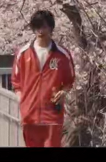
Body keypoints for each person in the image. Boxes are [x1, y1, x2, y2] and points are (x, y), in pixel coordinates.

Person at [11, 10, 75, 148]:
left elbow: (69, 80)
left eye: (44, 26)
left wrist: (64, 92)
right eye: (37, 27)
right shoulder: (22, 53)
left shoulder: (62, 55)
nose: (40, 30)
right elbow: (16, 82)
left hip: (52, 114)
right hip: (30, 116)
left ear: (51, 28)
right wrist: (23, 102)